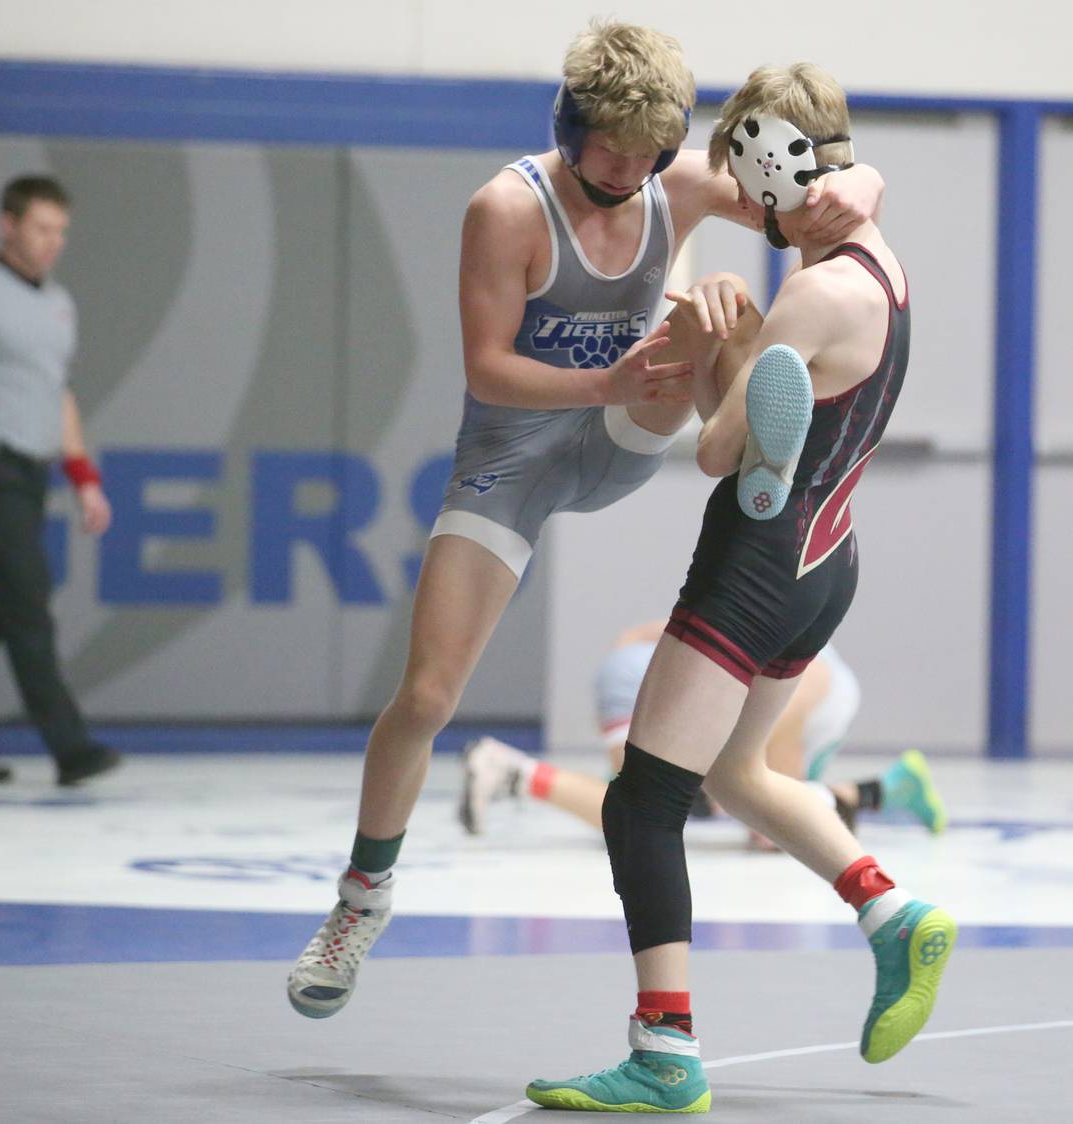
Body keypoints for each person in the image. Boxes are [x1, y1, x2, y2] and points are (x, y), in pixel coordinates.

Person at [285, 21, 885, 1020]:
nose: (628, 171)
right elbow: (487, 368)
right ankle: (362, 896)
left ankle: (747, 453)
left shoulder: (674, 183)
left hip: (624, 429)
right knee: (428, 694)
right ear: (569, 122)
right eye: (612, 149)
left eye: (651, 153)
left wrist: (864, 187)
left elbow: (805, 203)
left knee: (709, 309)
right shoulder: (506, 208)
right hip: (511, 457)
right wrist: (602, 374)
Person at [524, 63, 953, 1115]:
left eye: (750, 187)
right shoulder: (881, 269)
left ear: (773, 167)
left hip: (758, 558)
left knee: (644, 801)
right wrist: (740, 348)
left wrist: (713, 334)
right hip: (828, 558)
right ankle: (895, 915)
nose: (754, 211)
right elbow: (769, 408)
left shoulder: (809, 291)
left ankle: (664, 1049)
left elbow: (722, 450)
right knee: (742, 774)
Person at [458, 620, 947, 838]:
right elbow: (770, 829)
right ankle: (885, 790)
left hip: (634, 665)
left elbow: (633, 640)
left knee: (658, 807)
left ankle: (886, 790)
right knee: (699, 811)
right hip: (667, 679)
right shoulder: (801, 694)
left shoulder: (799, 677)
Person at [0, 175, 119, 787]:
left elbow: (54, 393)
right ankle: (70, 748)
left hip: (28, 471)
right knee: (27, 605)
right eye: (41, 228)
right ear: (7, 225)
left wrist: (83, 476)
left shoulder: (57, 304)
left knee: (1, 613)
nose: (53, 242)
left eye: (60, 231)